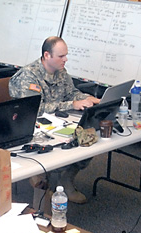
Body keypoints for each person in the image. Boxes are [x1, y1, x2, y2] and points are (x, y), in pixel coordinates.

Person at [9, 36, 99, 205]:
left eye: (66, 55)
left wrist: (89, 98)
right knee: (67, 143)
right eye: (61, 56)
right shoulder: (28, 76)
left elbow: (71, 93)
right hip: (31, 127)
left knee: (88, 137)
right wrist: (72, 104)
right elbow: (34, 109)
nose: (65, 59)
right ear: (47, 55)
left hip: (56, 122)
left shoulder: (60, 71)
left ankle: (66, 180)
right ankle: (41, 180)